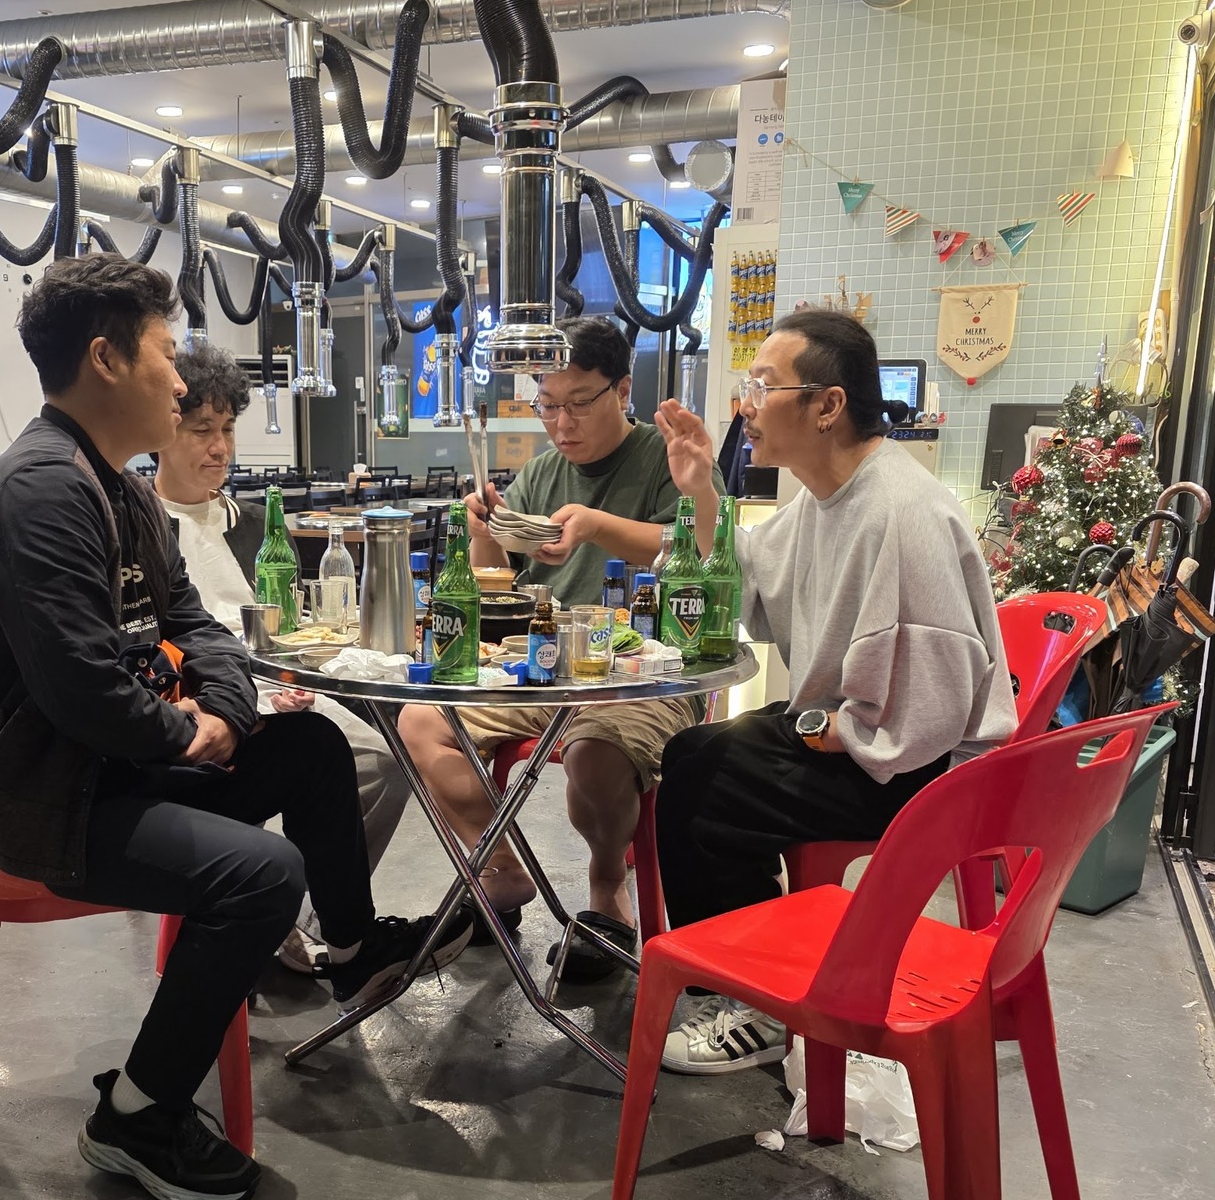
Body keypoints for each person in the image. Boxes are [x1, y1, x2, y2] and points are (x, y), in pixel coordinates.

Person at [0, 255, 462, 1200]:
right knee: (261, 875)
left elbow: (204, 629)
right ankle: (137, 1114)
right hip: (52, 801)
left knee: (310, 749)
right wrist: (180, 737)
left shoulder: (122, 490)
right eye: (165, 355)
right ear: (106, 359)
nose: (180, 384)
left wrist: (222, 713)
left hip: (111, 768)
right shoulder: (41, 489)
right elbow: (82, 690)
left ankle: (351, 951)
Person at [649, 308, 1017, 1074]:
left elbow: (937, 702)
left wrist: (827, 729)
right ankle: (743, 977)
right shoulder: (827, 498)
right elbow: (745, 583)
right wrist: (702, 492)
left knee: (708, 784)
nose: (745, 405)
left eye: (763, 386)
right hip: (866, 738)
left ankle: (759, 1002)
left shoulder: (899, 511)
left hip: (918, 771)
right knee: (690, 753)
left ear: (827, 405)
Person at [397, 316, 715, 982]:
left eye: (578, 403)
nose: (561, 424)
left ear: (621, 390)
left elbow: (697, 549)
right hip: (539, 666)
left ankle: (607, 890)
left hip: (641, 672)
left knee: (595, 754)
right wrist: (483, 532)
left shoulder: (664, 460)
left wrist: (595, 526)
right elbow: (495, 583)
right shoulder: (542, 474)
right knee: (421, 722)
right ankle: (500, 870)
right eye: (546, 404)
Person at [148, 341, 416, 974]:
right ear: (164, 431)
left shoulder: (247, 521)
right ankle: (284, 916)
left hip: (274, 682)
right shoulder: (144, 522)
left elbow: (278, 620)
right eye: (202, 430)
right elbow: (167, 644)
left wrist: (293, 670)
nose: (220, 447)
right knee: (326, 758)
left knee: (387, 759)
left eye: (227, 429)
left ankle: (320, 911)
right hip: (202, 702)